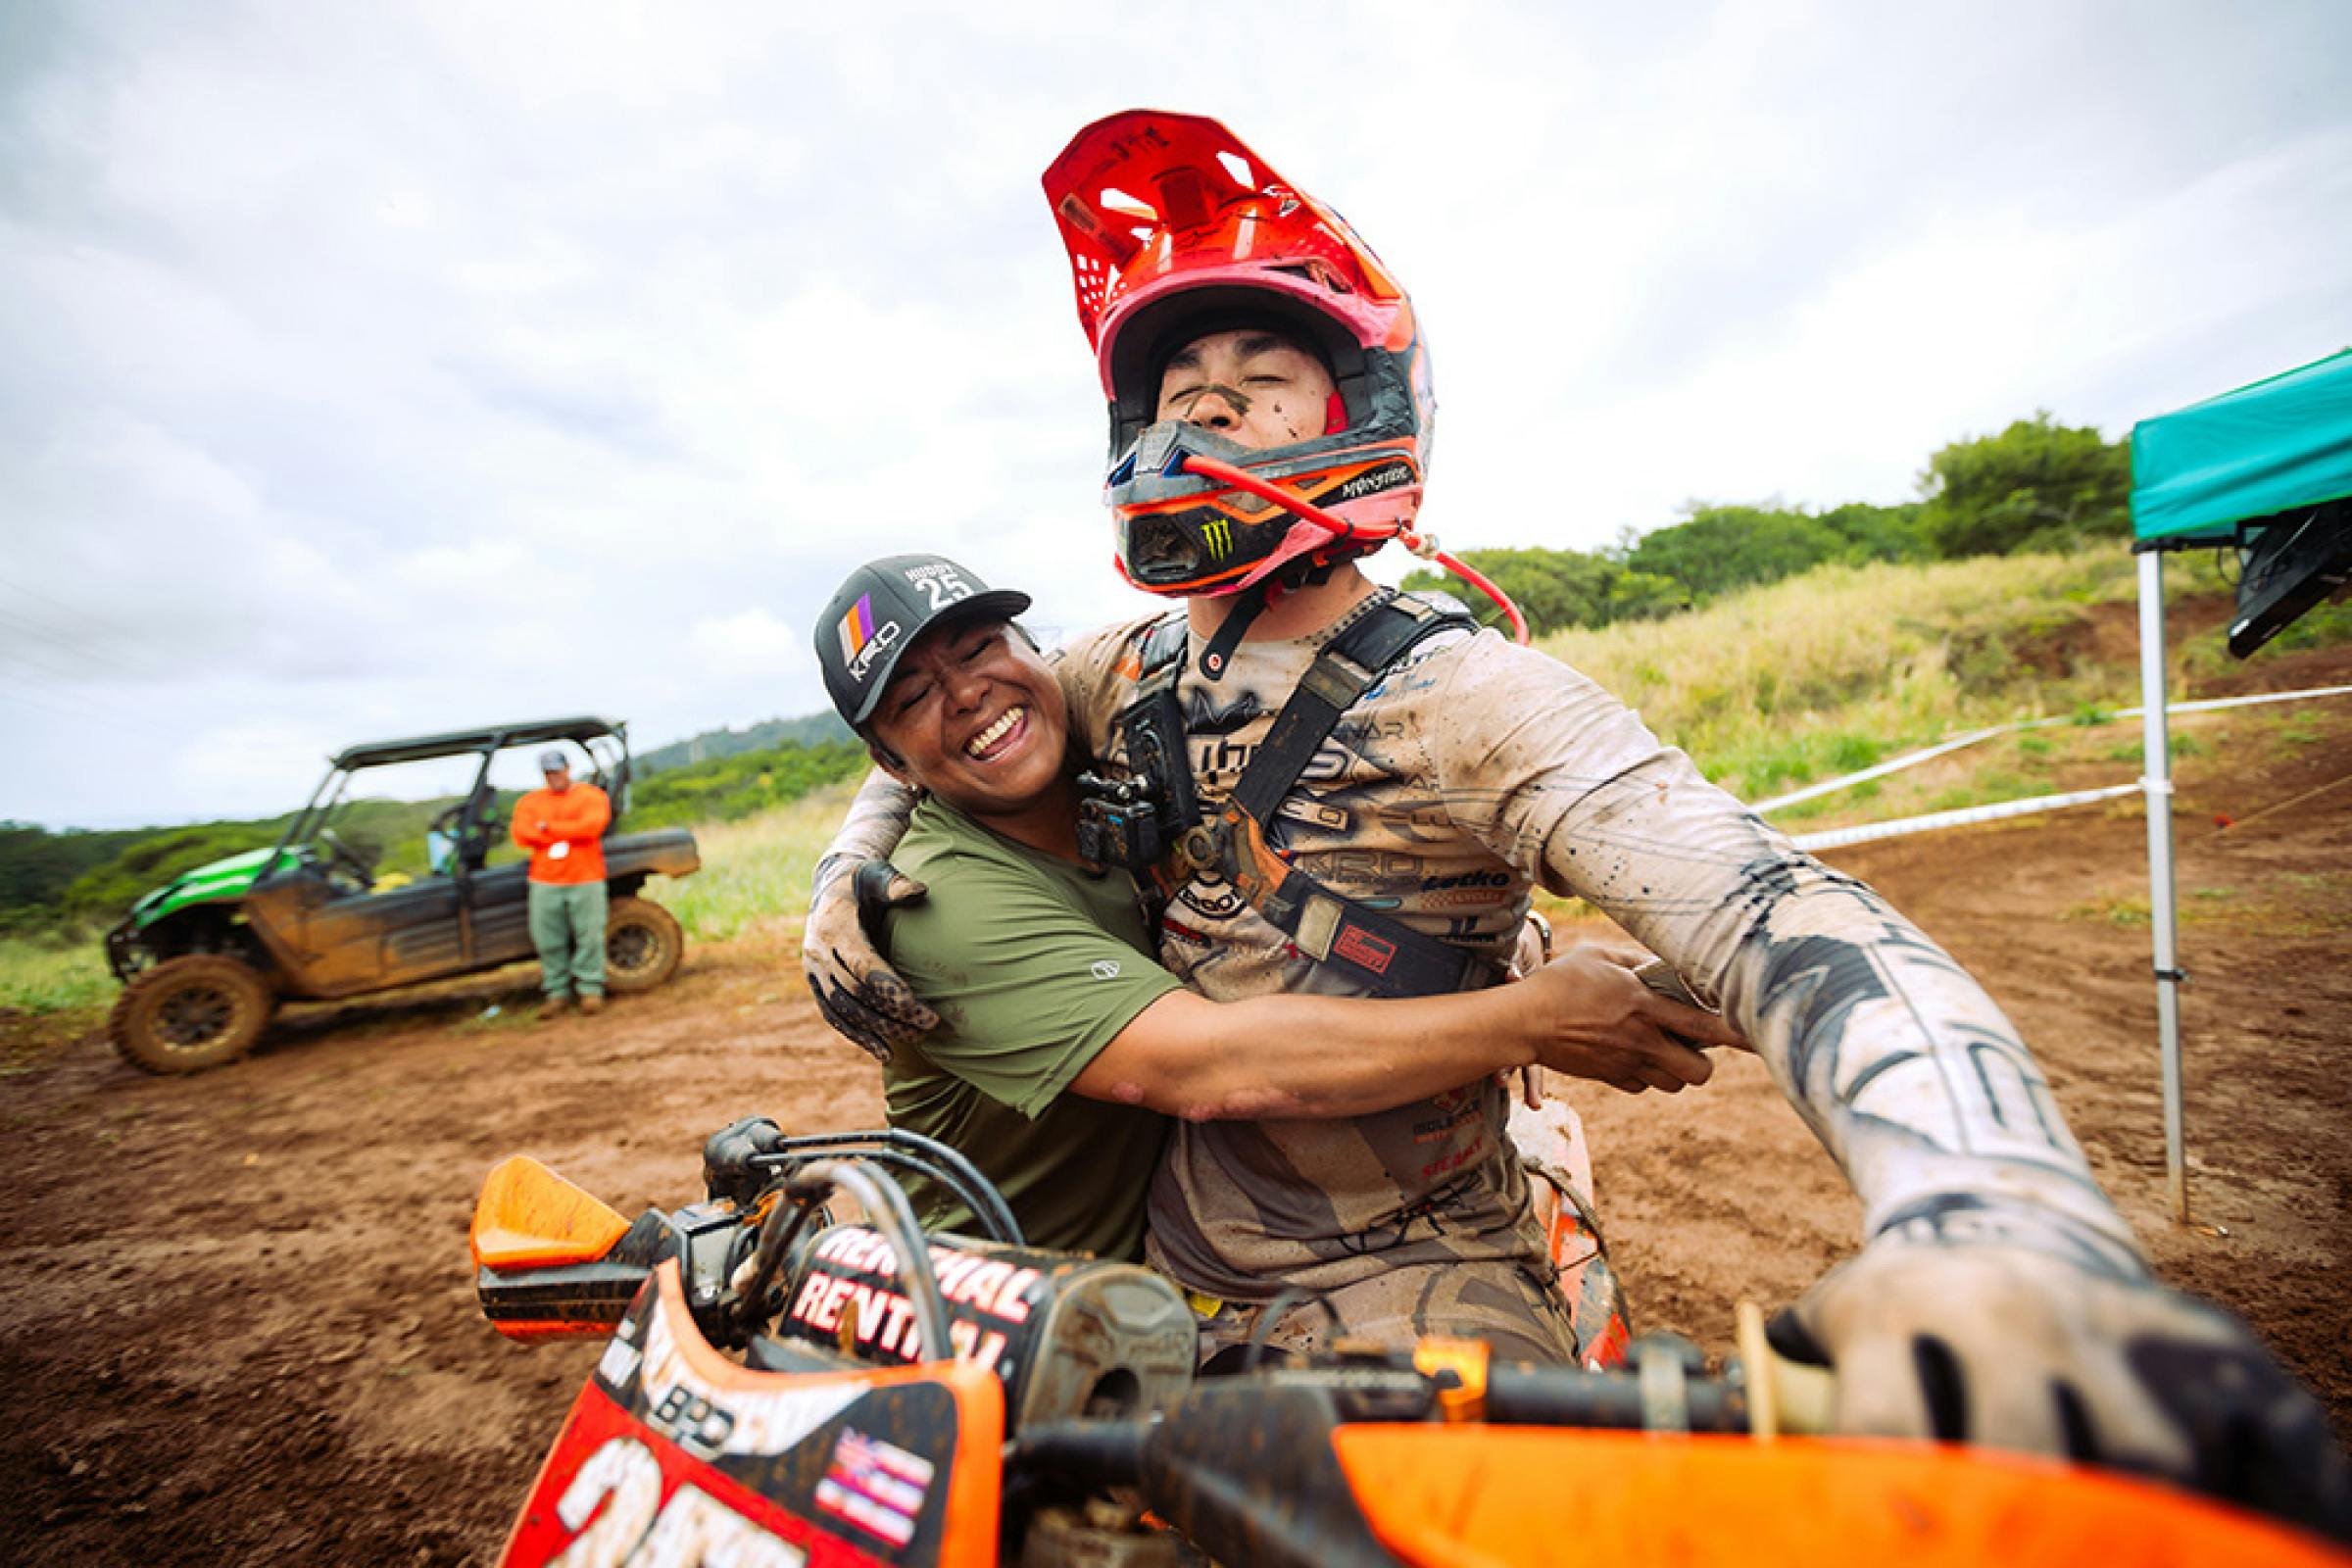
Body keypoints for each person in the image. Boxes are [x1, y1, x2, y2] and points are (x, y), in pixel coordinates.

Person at [805, 110, 2349, 1530]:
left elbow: (1774, 908)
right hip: (1168, 1267)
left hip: (1407, 1283)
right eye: (1174, 390)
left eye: (1254, 380)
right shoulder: (1134, 659)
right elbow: (954, 715)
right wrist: (845, 864)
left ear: (1361, 412)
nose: (1200, 408)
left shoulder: (1467, 697)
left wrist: (1996, 1218)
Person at [809, 551, 1737, 1304]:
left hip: (1181, 1236)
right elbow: (1214, 1066)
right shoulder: (935, 907)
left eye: (977, 650)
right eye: (913, 698)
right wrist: (1530, 1019)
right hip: (1035, 1314)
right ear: (889, 758)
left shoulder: (1102, 735)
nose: (967, 693)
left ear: (1033, 650)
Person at [513, 747, 612, 1018]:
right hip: (545, 879)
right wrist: (568, 832)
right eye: (548, 772)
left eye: (557, 770)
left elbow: (591, 827)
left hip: (585, 877)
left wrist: (548, 828)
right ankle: (557, 993)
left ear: (567, 768)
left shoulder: (590, 796)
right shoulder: (530, 802)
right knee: (547, 939)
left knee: (589, 935)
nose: (554, 776)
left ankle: (590, 989)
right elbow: (522, 834)